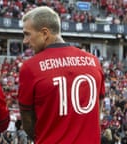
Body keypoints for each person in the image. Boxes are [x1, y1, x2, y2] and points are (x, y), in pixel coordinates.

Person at [17, 6, 105, 144]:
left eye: (27, 34)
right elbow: (98, 109)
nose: (25, 41)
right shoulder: (94, 61)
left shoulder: (30, 67)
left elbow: (27, 121)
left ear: (45, 33)